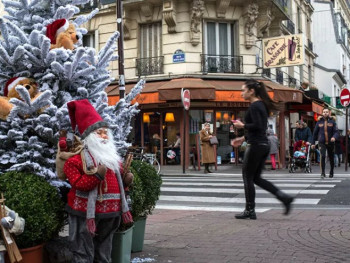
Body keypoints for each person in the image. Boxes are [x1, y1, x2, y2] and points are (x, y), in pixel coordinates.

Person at [63, 99, 133, 263]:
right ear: (88, 136)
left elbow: (120, 182)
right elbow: (79, 184)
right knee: (82, 251)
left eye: (105, 133)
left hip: (110, 213)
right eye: (99, 132)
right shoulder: (75, 161)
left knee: (104, 251)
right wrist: (96, 176)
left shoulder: (114, 160)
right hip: (84, 213)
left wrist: (126, 181)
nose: (103, 136)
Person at [231, 79, 294, 220]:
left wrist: (243, 126)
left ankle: (250, 210)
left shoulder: (255, 106)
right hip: (262, 144)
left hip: (256, 146)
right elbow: (260, 129)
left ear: (251, 91)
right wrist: (242, 139)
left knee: (247, 177)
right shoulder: (261, 105)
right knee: (256, 178)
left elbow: (258, 126)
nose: (241, 93)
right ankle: (284, 198)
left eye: (243, 90)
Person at [311, 108, 339, 178]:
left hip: (330, 142)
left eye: (326, 112)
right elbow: (315, 133)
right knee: (322, 156)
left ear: (329, 113)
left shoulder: (333, 122)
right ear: (322, 113)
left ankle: (331, 172)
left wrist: (334, 137)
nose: (325, 113)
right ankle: (322, 173)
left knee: (331, 157)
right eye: (324, 112)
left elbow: (336, 132)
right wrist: (313, 143)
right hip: (322, 142)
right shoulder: (319, 122)